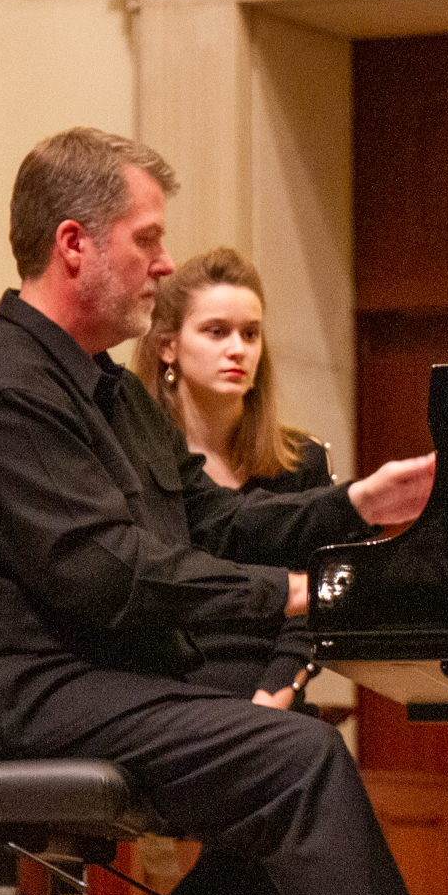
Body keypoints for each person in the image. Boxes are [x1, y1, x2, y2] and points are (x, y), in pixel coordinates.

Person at [0, 127, 446, 895]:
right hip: (7, 696)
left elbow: (212, 521)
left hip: (86, 672)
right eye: (147, 238)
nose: (163, 262)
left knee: (296, 772)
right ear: (73, 244)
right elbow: (107, 574)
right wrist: (291, 595)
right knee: (297, 765)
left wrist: (353, 503)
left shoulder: (110, 389)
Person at [133, 246, 332, 712]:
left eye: (250, 333)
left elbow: (316, 602)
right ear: (168, 346)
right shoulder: (137, 456)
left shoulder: (302, 461)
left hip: (271, 693)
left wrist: (270, 701)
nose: (237, 349)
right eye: (216, 332)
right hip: (166, 691)